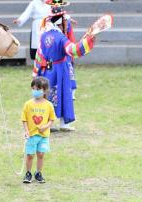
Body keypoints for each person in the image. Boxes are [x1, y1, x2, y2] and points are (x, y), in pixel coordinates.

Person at [33, 0, 96, 131]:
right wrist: (88, 41)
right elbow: (73, 50)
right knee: (63, 94)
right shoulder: (61, 38)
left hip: (47, 69)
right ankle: (64, 123)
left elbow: (39, 55)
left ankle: (45, 123)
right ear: (61, 23)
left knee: (48, 94)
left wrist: (36, 73)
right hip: (60, 69)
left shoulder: (44, 35)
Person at [21, 77, 56, 183]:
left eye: (37, 89)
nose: (34, 91)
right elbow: (24, 119)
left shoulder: (49, 105)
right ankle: (28, 173)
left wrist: (45, 127)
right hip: (31, 135)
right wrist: (26, 131)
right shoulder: (28, 104)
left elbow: (51, 119)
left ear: (44, 90)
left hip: (43, 136)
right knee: (30, 155)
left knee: (41, 154)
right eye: (33, 88)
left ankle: (38, 173)